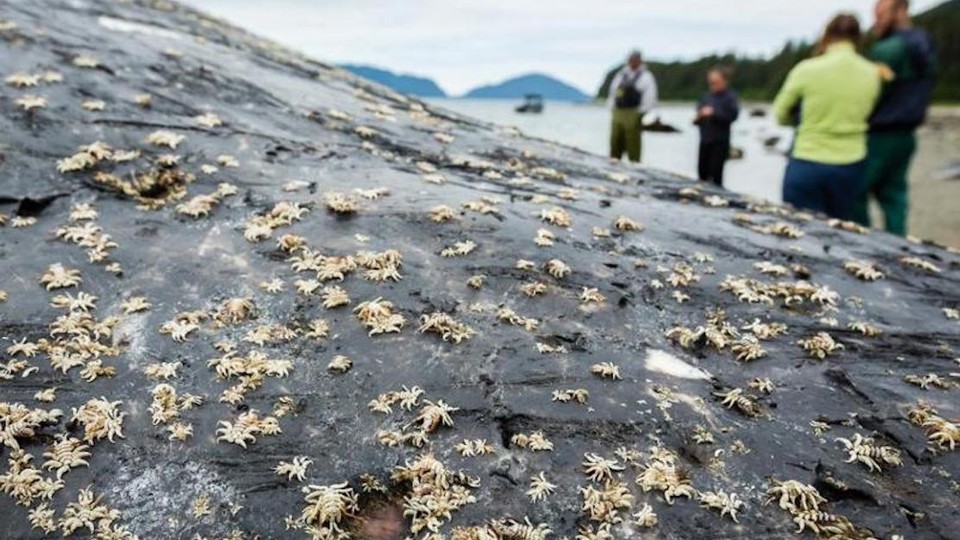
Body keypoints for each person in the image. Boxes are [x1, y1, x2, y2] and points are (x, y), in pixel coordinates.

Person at [771, 14, 880, 220]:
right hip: (850, 164)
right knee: (841, 231)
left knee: (799, 230)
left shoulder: (807, 69)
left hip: (807, 160)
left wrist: (798, 121)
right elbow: (870, 113)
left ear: (827, 35)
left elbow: (780, 114)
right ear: (858, 38)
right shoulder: (872, 73)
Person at [852, 0, 937, 235]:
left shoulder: (890, 48)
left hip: (881, 133)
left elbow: (874, 92)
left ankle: (862, 240)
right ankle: (898, 244)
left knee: (856, 190)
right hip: (907, 133)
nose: (876, 22)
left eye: (880, 15)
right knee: (894, 194)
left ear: (900, 11)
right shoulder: (924, 43)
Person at [608, 50, 658, 163]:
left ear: (640, 61)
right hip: (618, 111)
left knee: (633, 141)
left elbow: (650, 96)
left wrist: (642, 111)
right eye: (630, 59)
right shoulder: (621, 75)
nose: (632, 62)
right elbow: (613, 92)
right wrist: (612, 107)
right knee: (615, 140)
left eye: (635, 59)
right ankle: (613, 161)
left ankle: (634, 163)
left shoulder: (646, 76)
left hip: (634, 112)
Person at [694, 67, 740, 186]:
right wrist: (699, 117)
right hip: (705, 140)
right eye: (711, 82)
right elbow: (698, 113)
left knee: (716, 175)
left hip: (720, 142)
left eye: (716, 81)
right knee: (701, 173)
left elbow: (733, 116)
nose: (713, 84)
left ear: (724, 81)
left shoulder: (730, 97)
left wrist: (714, 113)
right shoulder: (706, 97)